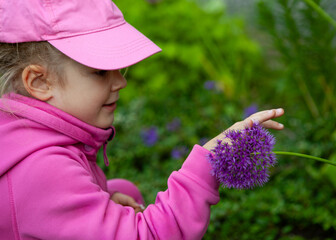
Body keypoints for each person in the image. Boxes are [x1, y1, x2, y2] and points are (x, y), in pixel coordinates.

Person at [0, 0, 284, 239]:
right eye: (100, 72)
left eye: (119, 68)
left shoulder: (24, 142)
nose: (120, 82)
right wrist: (209, 161)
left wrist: (104, 196)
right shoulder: (43, 169)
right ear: (39, 82)